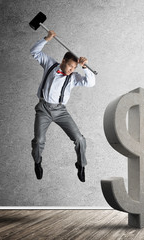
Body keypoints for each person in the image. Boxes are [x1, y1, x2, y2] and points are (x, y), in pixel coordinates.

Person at [30, 30, 95, 182]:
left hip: (60, 111)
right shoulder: (50, 64)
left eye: (74, 68)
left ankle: (81, 165)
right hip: (44, 109)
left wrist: (85, 67)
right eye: (70, 67)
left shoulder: (73, 78)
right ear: (64, 60)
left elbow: (90, 83)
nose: (72, 70)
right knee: (38, 140)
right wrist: (47, 38)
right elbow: (34, 51)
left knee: (79, 139)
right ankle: (37, 162)